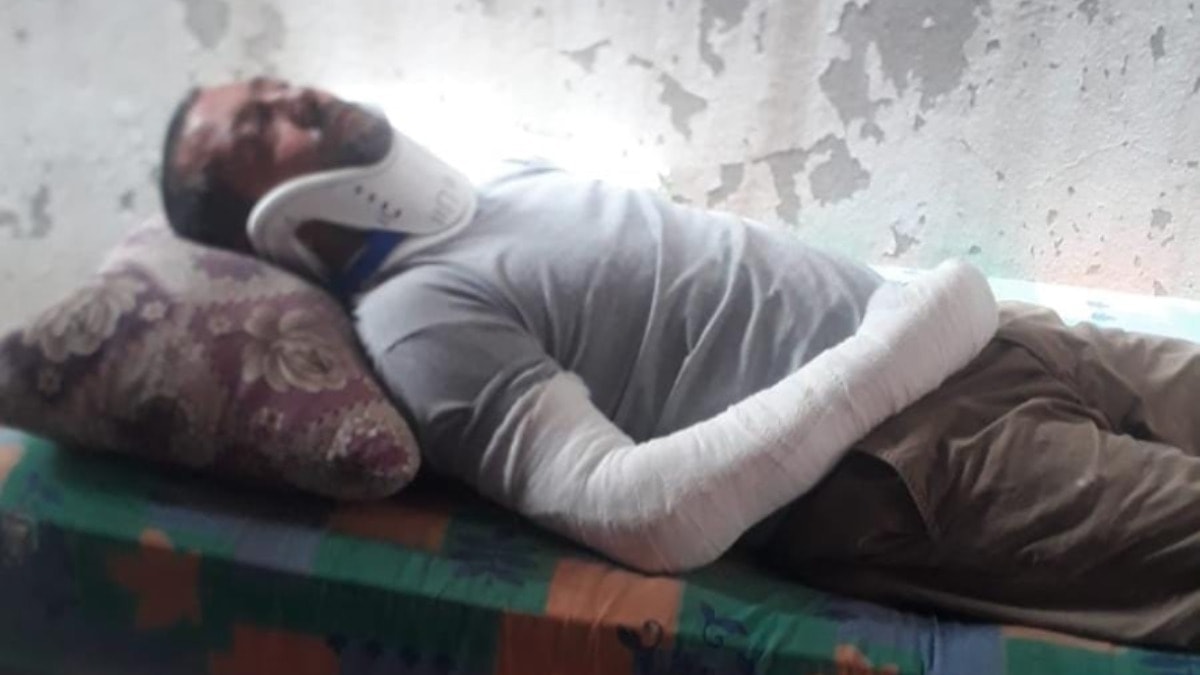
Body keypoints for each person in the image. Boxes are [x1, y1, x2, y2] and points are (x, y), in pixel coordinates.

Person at [160, 78, 1200, 650]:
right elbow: (647, 516)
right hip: (915, 460)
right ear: (261, 224)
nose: (297, 100)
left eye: (280, 87)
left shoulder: (500, 180)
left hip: (1000, 339)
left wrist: (934, 325)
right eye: (258, 126)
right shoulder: (416, 320)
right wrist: (904, 345)